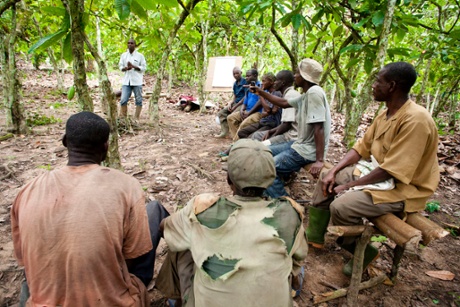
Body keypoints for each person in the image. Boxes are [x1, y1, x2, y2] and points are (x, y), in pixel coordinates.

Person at [11, 112, 168, 306]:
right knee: (154, 210)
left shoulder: (28, 190)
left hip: (43, 299)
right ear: (105, 147)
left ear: (65, 142)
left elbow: (25, 260)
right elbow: (131, 258)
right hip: (110, 299)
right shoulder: (127, 185)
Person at [307, 62, 440, 276]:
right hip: (378, 174)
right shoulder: (386, 113)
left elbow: (393, 170)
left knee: (341, 206)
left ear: (392, 86)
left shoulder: (416, 120)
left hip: (403, 188)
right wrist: (334, 171)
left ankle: (361, 251)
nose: (374, 85)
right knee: (325, 177)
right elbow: (362, 148)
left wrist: (349, 186)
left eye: (378, 81)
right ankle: (314, 237)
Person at [156, 139, 308, 307]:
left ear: (228, 178)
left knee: (180, 243)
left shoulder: (202, 209)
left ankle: (176, 300)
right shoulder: (290, 214)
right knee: (292, 263)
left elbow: (164, 227)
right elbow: (299, 257)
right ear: (270, 181)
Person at [251, 59, 331, 199]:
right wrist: (260, 92)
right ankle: (270, 190)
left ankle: (284, 205)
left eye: (297, 73)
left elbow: (319, 128)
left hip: (307, 151)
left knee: (268, 168)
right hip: (299, 144)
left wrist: (319, 160)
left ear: (305, 76)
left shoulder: (314, 93)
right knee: (262, 152)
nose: (295, 76)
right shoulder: (307, 94)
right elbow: (283, 103)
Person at [252, 70, 300, 144]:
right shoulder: (287, 94)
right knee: (256, 135)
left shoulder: (290, 95)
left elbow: (286, 125)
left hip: (291, 136)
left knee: (262, 144)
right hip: (283, 130)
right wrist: (270, 131)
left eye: (277, 80)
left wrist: (272, 137)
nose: (275, 82)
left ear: (283, 83)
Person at [237, 72, 282, 139]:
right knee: (241, 132)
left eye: (264, 81)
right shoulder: (267, 93)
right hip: (263, 121)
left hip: (271, 124)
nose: (262, 83)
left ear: (271, 82)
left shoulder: (276, 93)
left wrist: (260, 93)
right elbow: (265, 113)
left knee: (252, 136)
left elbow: (268, 110)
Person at [227, 69, 263, 141]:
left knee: (244, 124)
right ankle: (237, 140)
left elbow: (260, 101)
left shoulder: (261, 86)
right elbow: (245, 101)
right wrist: (242, 110)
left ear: (255, 76)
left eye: (248, 76)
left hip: (257, 112)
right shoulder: (248, 87)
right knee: (230, 118)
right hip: (247, 111)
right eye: (246, 76)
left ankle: (235, 143)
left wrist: (249, 113)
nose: (246, 78)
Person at [215, 67, 248, 138]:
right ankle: (225, 132)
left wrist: (235, 106)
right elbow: (235, 96)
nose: (235, 75)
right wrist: (231, 103)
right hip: (236, 103)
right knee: (221, 113)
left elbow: (246, 96)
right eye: (234, 74)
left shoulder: (245, 82)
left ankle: (236, 134)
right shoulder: (235, 84)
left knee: (233, 115)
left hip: (242, 103)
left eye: (237, 73)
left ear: (241, 73)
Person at [119, 38, 147, 120]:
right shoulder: (124, 55)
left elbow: (144, 67)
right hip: (126, 81)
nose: (130, 44)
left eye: (131, 43)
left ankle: (136, 118)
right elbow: (120, 66)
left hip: (137, 81)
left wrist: (134, 67)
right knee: (123, 100)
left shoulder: (140, 56)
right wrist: (126, 68)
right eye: (128, 43)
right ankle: (124, 119)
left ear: (135, 45)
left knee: (138, 100)